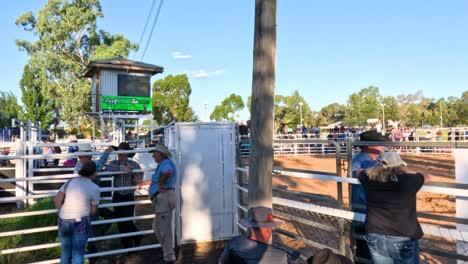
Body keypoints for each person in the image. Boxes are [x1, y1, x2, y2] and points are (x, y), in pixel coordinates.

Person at [358, 151, 429, 263]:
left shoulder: (368, 178)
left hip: (375, 233)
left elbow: (360, 172)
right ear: (399, 165)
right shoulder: (409, 180)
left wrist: (373, 170)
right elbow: (426, 177)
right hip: (402, 235)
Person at [351, 129, 389, 263]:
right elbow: (355, 175)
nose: (382, 146)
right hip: (365, 213)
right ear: (369, 145)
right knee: (365, 253)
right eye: (378, 143)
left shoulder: (379, 160)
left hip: (378, 213)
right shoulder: (357, 161)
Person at [55, 161, 100, 264]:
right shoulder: (95, 188)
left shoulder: (71, 181)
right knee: (78, 253)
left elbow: (57, 199)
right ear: (94, 172)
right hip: (80, 220)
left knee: (65, 252)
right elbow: (93, 210)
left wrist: (63, 212)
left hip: (63, 219)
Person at [219, 206, 300, 264]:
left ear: (250, 226)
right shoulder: (280, 256)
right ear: (267, 230)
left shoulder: (234, 242)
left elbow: (221, 261)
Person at [74, 143, 114, 257]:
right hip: (85, 204)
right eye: (80, 156)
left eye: (82, 156)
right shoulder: (81, 168)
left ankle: (93, 245)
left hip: (91, 203)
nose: (80, 158)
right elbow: (98, 166)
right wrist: (106, 153)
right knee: (87, 229)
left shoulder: (84, 166)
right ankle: (91, 253)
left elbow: (98, 166)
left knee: (94, 224)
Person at [104, 142, 143, 248]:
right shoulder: (114, 163)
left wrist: (132, 173)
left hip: (128, 195)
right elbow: (108, 169)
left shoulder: (134, 165)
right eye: (118, 152)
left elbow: (139, 180)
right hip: (117, 195)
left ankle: (130, 244)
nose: (119, 154)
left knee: (127, 220)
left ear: (127, 153)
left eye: (122, 152)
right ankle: (132, 240)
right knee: (120, 221)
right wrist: (122, 169)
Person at [147, 144, 177, 263]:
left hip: (163, 199)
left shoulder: (166, 164)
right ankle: (167, 253)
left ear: (160, 154)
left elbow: (168, 172)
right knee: (158, 228)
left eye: (155, 153)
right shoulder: (163, 164)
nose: (153, 155)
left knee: (164, 230)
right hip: (162, 199)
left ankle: (169, 258)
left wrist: (160, 185)